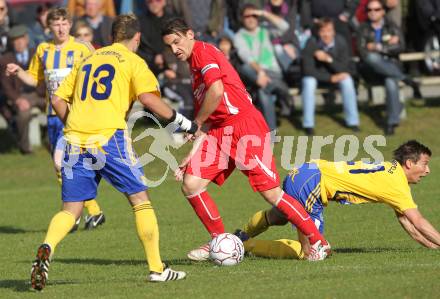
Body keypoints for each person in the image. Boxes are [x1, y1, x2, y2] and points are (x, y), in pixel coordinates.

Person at [29, 14, 195, 291]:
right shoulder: (133, 61)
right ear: (137, 38)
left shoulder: (88, 59)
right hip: (108, 136)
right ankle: (157, 268)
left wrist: (74, 123)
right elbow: (149, 99)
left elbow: (57, 98)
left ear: (111, 37)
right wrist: (186, 123)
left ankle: (47, 245)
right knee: (140, 198)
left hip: (73, 137)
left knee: (71, 209)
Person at [162, 18, 330, 262]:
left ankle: (319, 242)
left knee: (273, 194)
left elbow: (217, 92)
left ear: (190, 34)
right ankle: (219, 240)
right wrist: (191, 154)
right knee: (192, 184)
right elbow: (209, 119)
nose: (174, 50)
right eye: (169, 47)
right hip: (221, 131)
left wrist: (196, 122)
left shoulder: (202, 52)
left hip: (244, 127)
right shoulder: (192, 63)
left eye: (177, 42)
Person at [235, 140, 440, 259]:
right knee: (311, 252)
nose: (428, 170)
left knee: (279, 216)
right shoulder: (397, 185)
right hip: (312, 184)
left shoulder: (390, 170)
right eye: (425, 164)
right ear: (410, 163)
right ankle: (242, 247)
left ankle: (241, 235)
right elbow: (418, 221)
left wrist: (433, 247)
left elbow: (407, 222)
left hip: (305, 172)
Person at [6, 8, 105, 230]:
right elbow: (33, 79)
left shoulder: (80, 48)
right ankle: (90, 211)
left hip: (74, 116)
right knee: (62, 168)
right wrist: (18, 71)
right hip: (52, 116)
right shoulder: (44, 49)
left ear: (70, 25)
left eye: (64, 23)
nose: (60, 28)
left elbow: (98, 71)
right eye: (56, 24)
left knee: (62, 164)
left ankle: (77, 213)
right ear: (48, 27)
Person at [357, 0, 422, 136]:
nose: (373, 13)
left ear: (383, 11)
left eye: (376, 9)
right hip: (371, 71)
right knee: (372, 58)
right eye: (369, 10)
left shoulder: (392, 26)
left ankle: (391, 123)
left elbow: (400, 47)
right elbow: (363, 52)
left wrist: (377, 47)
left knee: (390, 81)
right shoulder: (363, 28)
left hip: (391, 67)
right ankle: (407, 80)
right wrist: (386, 46)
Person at [233, 4, 293, 130]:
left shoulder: (265, 30)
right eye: (247, 16)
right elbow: (247, 57)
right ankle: (284, 94)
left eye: (254, 15)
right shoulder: (238, 36)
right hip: (255, 73)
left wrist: (264, 13)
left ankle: (272, 132)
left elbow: (285, 27)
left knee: (263, 89)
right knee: (245, 68)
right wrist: (260, 72)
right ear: (242, 19)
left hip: (273, 72)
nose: (251, 19)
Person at [301, 18, 360, 135]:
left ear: (334, 32)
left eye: (329, 31)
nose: (326, 34)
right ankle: (308, 124)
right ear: (318, 32)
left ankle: (353, 122)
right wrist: (329, 78)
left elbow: (344, 68)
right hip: (317, 77)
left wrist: (328, 59)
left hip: (336, 74)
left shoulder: (341, 42)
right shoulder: (311, 42)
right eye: (323, 31)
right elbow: (308, 70)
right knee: (308, 82)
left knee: (347, 81)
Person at [0, 25, 45, 154]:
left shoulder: (37, 55)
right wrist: (17, 99)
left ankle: (59, 142)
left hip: (40, 94)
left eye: (21, 39)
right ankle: (25, 149)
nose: (19, 43)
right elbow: (5, 85)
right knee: (23, 115)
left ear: (26, 39)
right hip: (22, 96)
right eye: (15, 40)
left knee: (58, 108)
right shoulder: (5, 60)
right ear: (11, 42)